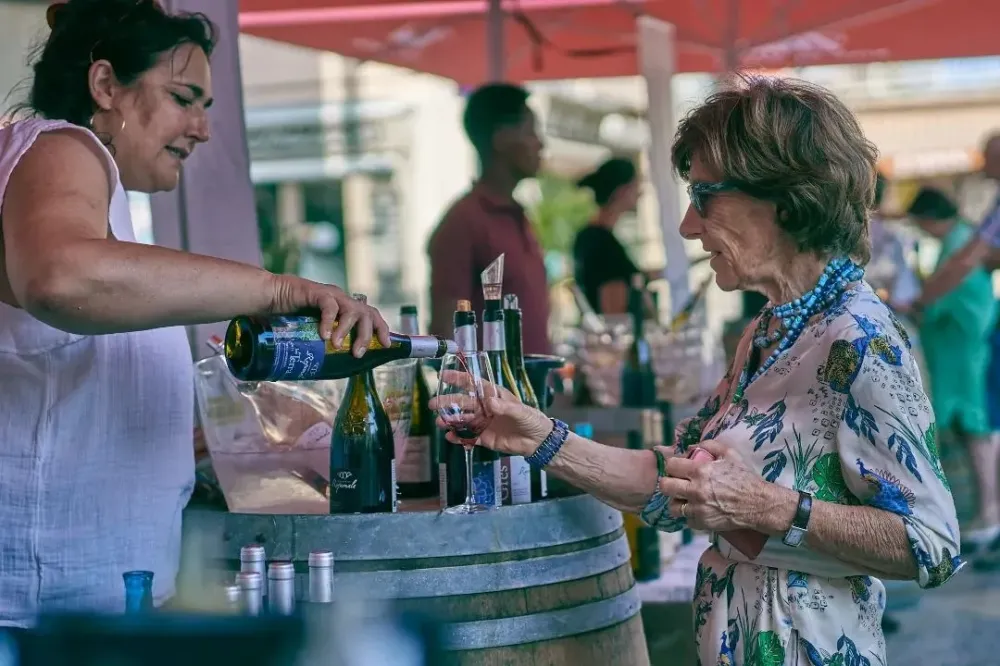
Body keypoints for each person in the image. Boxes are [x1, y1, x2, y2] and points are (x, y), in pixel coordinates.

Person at [433, 76, 962, 665]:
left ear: (782, 199)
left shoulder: (862, 340)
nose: (688, 225)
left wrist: (764, 506)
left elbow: (930, 545)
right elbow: (678, 482)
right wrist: (536, 436)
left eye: (705, 197)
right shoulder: (771, 331)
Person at [0, 0, 389, 625]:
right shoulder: (61, 146)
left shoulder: (83, 185)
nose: (202, 129)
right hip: (38, 622)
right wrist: (277, 291)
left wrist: (183, 444)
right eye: (185, 98)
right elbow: (58, 276)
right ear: (105, 85)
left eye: (207, 109)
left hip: (87, 608)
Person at [907, 188, 999, 550]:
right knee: (973, 430)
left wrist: (918, 305)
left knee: (977, 430)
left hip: (965, 352)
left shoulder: (962, 245)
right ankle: (986, 512)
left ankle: (989, 513)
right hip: (960, 351)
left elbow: (958, 295)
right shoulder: (963, 238)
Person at [426, 83, 549, 353]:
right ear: (501, 138)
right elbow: (446, 332)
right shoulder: (462, 223)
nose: (541, 143)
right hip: (491, 391)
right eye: (531, 131)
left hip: (532, 389)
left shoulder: (519, 214)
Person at [572, 157, 658, 315]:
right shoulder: (602, 243)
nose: (640, 193)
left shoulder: (591, 238)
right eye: (636, 186)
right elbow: (614, 313)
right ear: (622, 191)